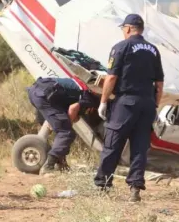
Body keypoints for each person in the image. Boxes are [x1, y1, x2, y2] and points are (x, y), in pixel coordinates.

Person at [93, 14, 164, 202]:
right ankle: (135, 189)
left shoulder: (121, 47)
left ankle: (103, 184)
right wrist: (155, 105)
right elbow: (159, 83)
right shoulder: (153, 50)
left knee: (113, 143)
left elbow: (111, 77)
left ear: (127, 29)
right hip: (147, 104)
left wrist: (103, 101)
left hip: (126, 103)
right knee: (139, 147)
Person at [26, 77, 100, 174]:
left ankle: (61, 164)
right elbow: (73, 109)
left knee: (64, 131)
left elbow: (73, 115)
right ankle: (48, 166)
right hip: (45, 95)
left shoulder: (80, 87)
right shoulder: (90, 98)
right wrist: (66, 126)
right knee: (66, 133)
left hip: (36, 92)